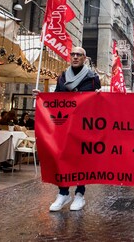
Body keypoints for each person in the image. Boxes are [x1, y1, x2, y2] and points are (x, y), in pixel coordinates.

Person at [42, 46, 100, 211]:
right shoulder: (62, 77)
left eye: (78, 55)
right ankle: (63, 193)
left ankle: (80, 194)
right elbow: (56, 98)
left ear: (84, 58)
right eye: (73, 54)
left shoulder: (93, 78)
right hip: (65, 126)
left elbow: (97, 104)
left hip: (84, 126)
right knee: (63, 158)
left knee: (81, 159)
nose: (75, 57)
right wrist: (41, 97)